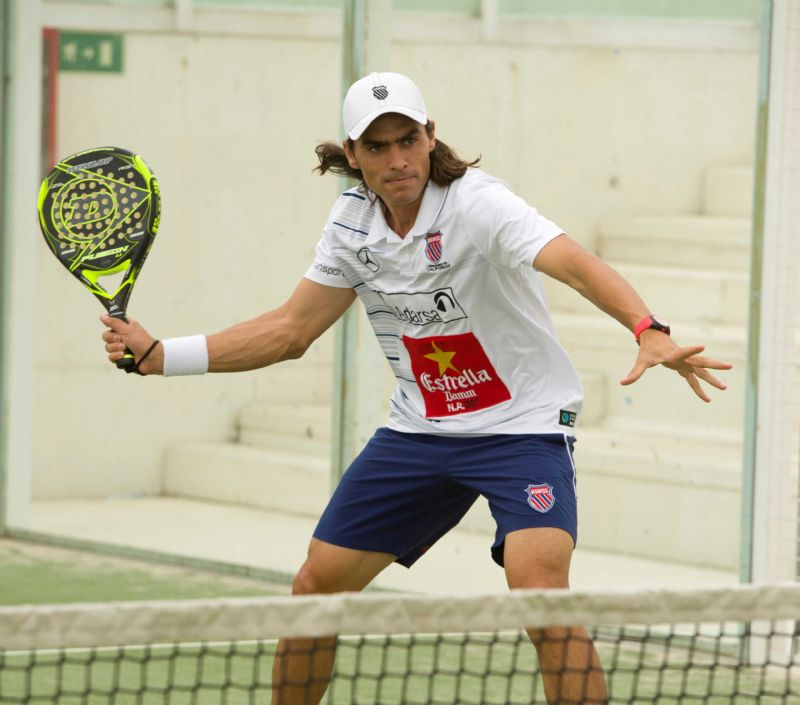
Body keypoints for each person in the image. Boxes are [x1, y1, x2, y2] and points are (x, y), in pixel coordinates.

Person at [102, 72, 731, 705]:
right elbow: (291, 331)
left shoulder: (478, 205)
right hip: (420, 433)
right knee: (314, 589)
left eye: (408, 139)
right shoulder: (351, 226)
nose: (397, 159)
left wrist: (646, 326)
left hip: (523, 429)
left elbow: (574, 262)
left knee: (540, 592)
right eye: (377, 147)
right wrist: (160, 356)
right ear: (352, 155)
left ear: (431, 137)